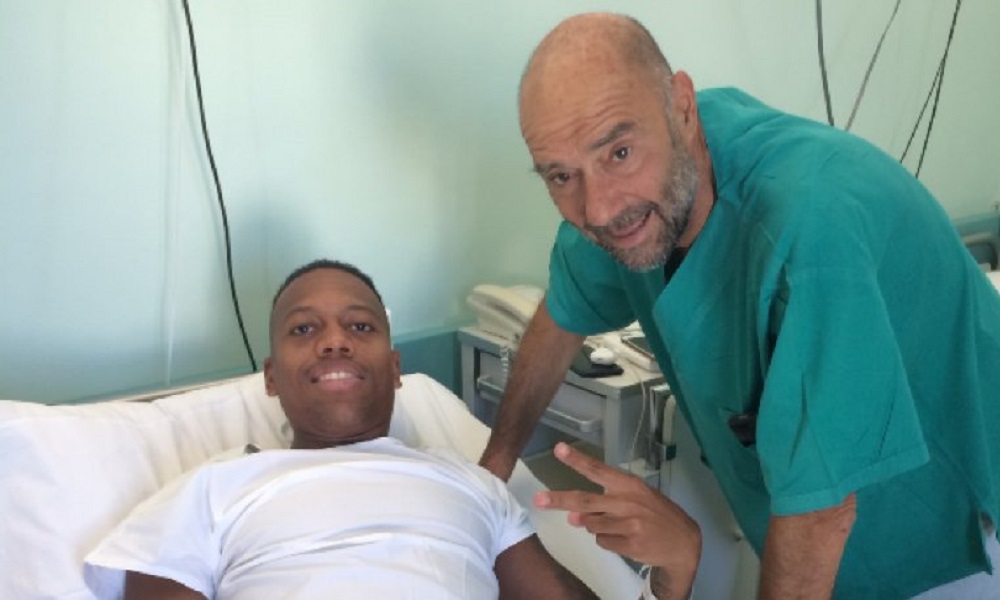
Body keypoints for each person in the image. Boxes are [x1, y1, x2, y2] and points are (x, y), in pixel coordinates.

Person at [478, 11, 1000, 600]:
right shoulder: (626, 185)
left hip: (950, 512)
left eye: (619, 153)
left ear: (682, 107)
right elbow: (562, 314)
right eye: (560, 177)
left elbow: (821, 515)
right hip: (810, 516)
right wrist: (491, 470)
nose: (597, 208)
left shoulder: (809, 229)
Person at [84, 259, 600, 599]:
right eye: (304, 328)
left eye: (360, 326)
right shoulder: (214, 488)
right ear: (270, 378)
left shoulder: (471, 484)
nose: (335, 342)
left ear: (395, 369)